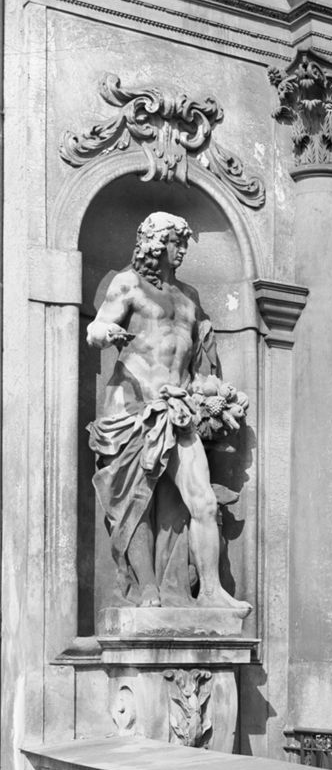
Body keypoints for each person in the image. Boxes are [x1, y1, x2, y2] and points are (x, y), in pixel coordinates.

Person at [86, 212, 250, 613]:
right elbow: (96, 329)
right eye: (176, 242)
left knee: (205, 501)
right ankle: (146, 587)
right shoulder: (128, 284)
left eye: (184, 243)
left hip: (178, 409)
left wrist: (214, 392)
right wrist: (106, 333)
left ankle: (210, 590)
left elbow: (196, 362)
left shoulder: (189, 297)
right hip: (133, 407)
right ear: (156, 244)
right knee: (134, 502)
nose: (182, 250)